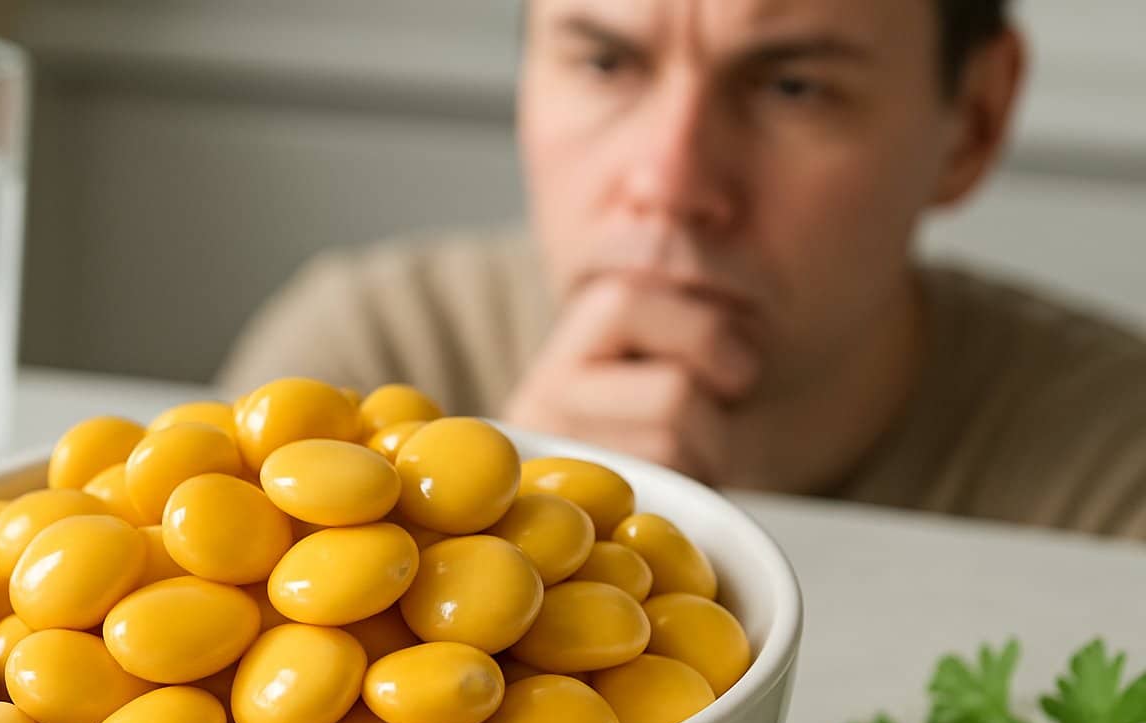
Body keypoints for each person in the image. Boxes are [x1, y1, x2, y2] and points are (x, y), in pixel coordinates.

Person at [217, 0, 1146, 540]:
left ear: (975, 120)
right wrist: (499, 529)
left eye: (793, 87)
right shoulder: (352, 366)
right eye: (606, 62)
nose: (669, 186)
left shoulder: (1113, 465)